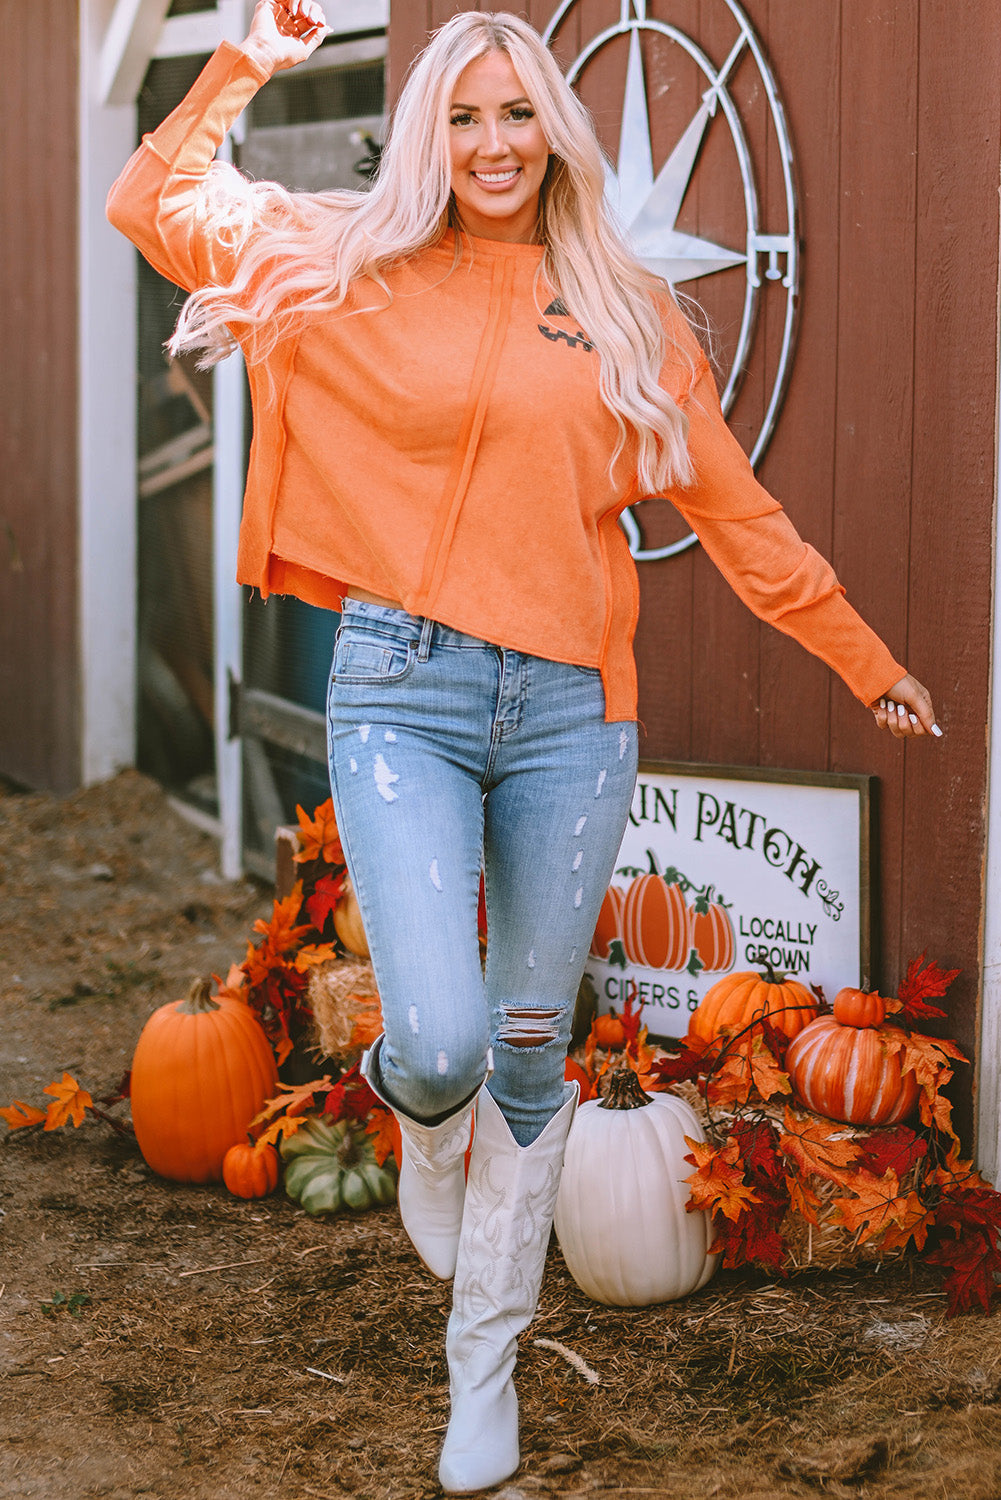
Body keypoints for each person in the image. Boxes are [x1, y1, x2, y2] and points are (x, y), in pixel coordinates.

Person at [107, 2, 940, 1489]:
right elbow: (146, 198)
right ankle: (425, 1120)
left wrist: (865, 660)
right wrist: (257, 54)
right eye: (464, 116)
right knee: (437, 1045)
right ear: (432, 131)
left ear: (553, 127)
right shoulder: (338, 259)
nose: (492, 144)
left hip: (569, 715)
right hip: (400, 694)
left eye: (516, 115)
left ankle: (478, 1370)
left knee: (534, 1053)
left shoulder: (620, 310)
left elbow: (743, 525)